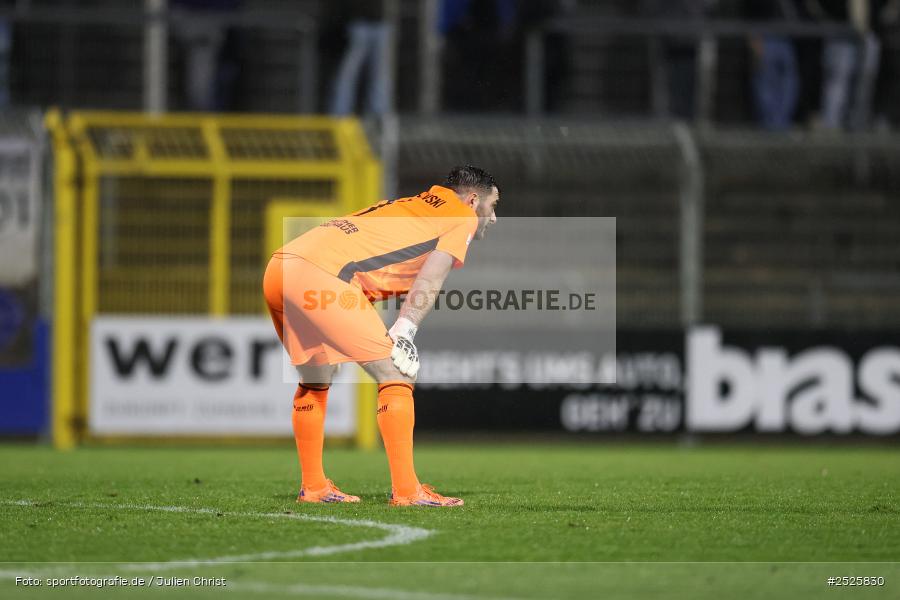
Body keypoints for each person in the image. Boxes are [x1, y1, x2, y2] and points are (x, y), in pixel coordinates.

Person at [263, 166, 500, 506]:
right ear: (473, 200)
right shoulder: (460, 215)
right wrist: (405, 331)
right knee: (396, 373)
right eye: (492, 207)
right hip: (322, 276)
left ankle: (314, 486)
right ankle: (407, 491)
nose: (492, 218)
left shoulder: (410, 204)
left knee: (317, 379)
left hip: (280, 267)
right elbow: (430, 281)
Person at [328, 0, 390, 116]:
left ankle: (378, 114)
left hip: (380, 22)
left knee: (380, 74)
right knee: (348, 73)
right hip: (358, 22)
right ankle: (340, 113)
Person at [746, 0, 800, 130]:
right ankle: (769, 126)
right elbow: (750, 10)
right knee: (765, 80)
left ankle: (781, 124)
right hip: (765, 34)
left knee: (789, 82)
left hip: (787, 36)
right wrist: (753, 36)